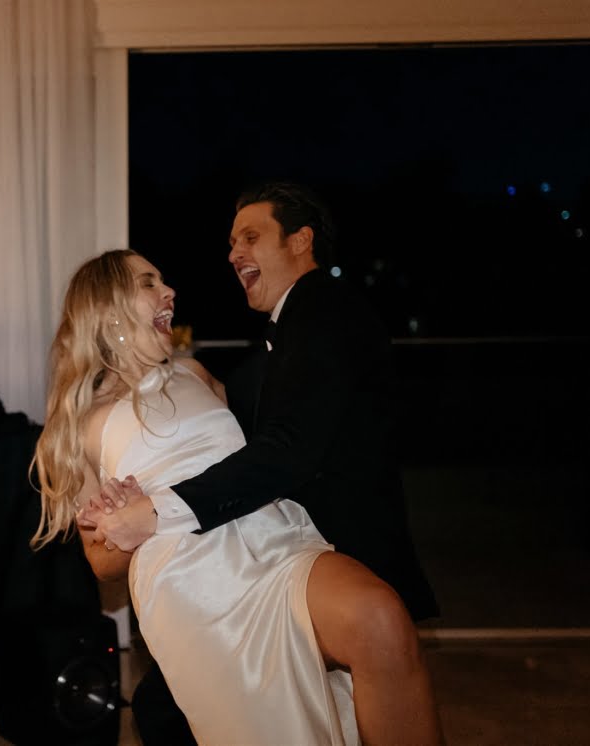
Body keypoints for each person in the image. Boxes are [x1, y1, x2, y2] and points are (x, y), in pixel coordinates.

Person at [83, 182, 442, 745]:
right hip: (212, 578)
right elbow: (104, 557)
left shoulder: (324, 311)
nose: (233, 254)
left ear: (300, 241)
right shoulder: (269, 346)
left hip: (311, 552)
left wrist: (153, 511)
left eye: (250, 237)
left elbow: (286, 450)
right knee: (162, 709)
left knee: (172, 711)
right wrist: (112, 517)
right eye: (231, 242)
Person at [33, 249, 364, 743]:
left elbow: (255, 462)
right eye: (148, 282)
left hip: (269, 543)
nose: (169, 291)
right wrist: (119, 525)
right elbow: (102, 565)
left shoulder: (195, 374)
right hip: (191, 584)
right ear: (109, 309)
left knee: (372, 626)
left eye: (163, 280)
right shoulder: (81, 426)